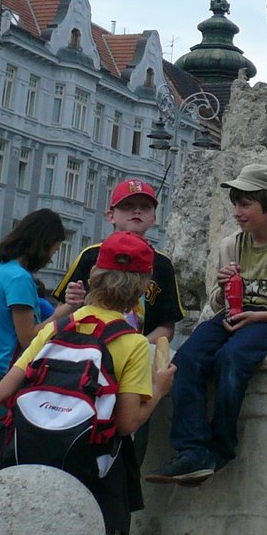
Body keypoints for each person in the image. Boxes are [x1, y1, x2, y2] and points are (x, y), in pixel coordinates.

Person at [0, 231, 175, 535]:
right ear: (142, 287)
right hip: (88, 473)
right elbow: (126, 423)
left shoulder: (56, 329)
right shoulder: (132, 343)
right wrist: (159, 389)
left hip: (27, 462)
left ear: (93, 276)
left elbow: (2, 394)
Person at [148, 163, 267, 484]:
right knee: (187, 358)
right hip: (233, 315)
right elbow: (216, 303)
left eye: (245, 204)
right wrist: (223, 288)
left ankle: (221, 446)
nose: (237, 213)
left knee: (231, 358)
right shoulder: (231, 244)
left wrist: (259, 316)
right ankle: (192, 450)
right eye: (236, 204)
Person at [52, 178, 184, 470]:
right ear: (111, 215)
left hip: (136, 354)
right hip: (88, 357)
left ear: (154, 217)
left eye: (144, 207)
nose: (136, 211)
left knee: (131, 430)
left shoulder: (162, 265)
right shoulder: (91, 256)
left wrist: (133, 346)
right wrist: (71, 304)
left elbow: (167, 326)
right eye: (128, 206)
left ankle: (127, 472)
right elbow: (61, 315)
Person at [0, 208, 68, 417]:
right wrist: (59, 315)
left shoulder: (1, 269)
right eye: (53, 250)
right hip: (13, 373)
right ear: (43, 243)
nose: (50, 258)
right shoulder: (20, 279)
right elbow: (27, 338)